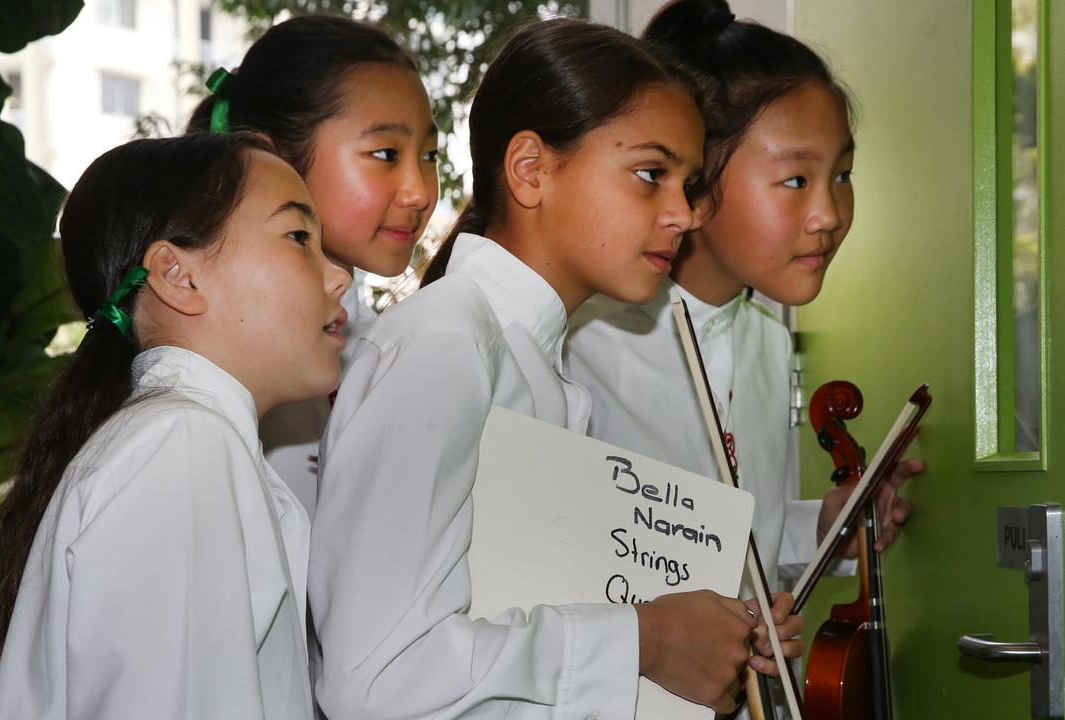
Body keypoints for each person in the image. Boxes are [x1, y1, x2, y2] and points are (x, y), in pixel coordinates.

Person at [311, 18, 777, 719]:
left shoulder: (534, 361)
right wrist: (642, 640)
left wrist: (710, 638)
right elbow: (375, 680)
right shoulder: (448, 347)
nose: (682, 214)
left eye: (688, 183)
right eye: (651, 175)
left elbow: (517, 633)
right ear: (530, 170)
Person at [566, 0, 922, 632]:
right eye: (795, 180)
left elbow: (732, 544)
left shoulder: (766, 340)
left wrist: (821, 530)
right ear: (697, 180)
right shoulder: (582, 339)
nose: (830, 214)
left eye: (842, 174)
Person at [0, 133, 351, 719]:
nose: (338, 276)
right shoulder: (184, 446)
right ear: (178, 276)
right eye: (298, 238)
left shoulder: (180, 441)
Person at [188, 15, 439, 515]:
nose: (419, 192)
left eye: (430, 154)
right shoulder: (225, 360)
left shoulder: (363, 336)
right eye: (386, 153)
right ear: (270, 156)